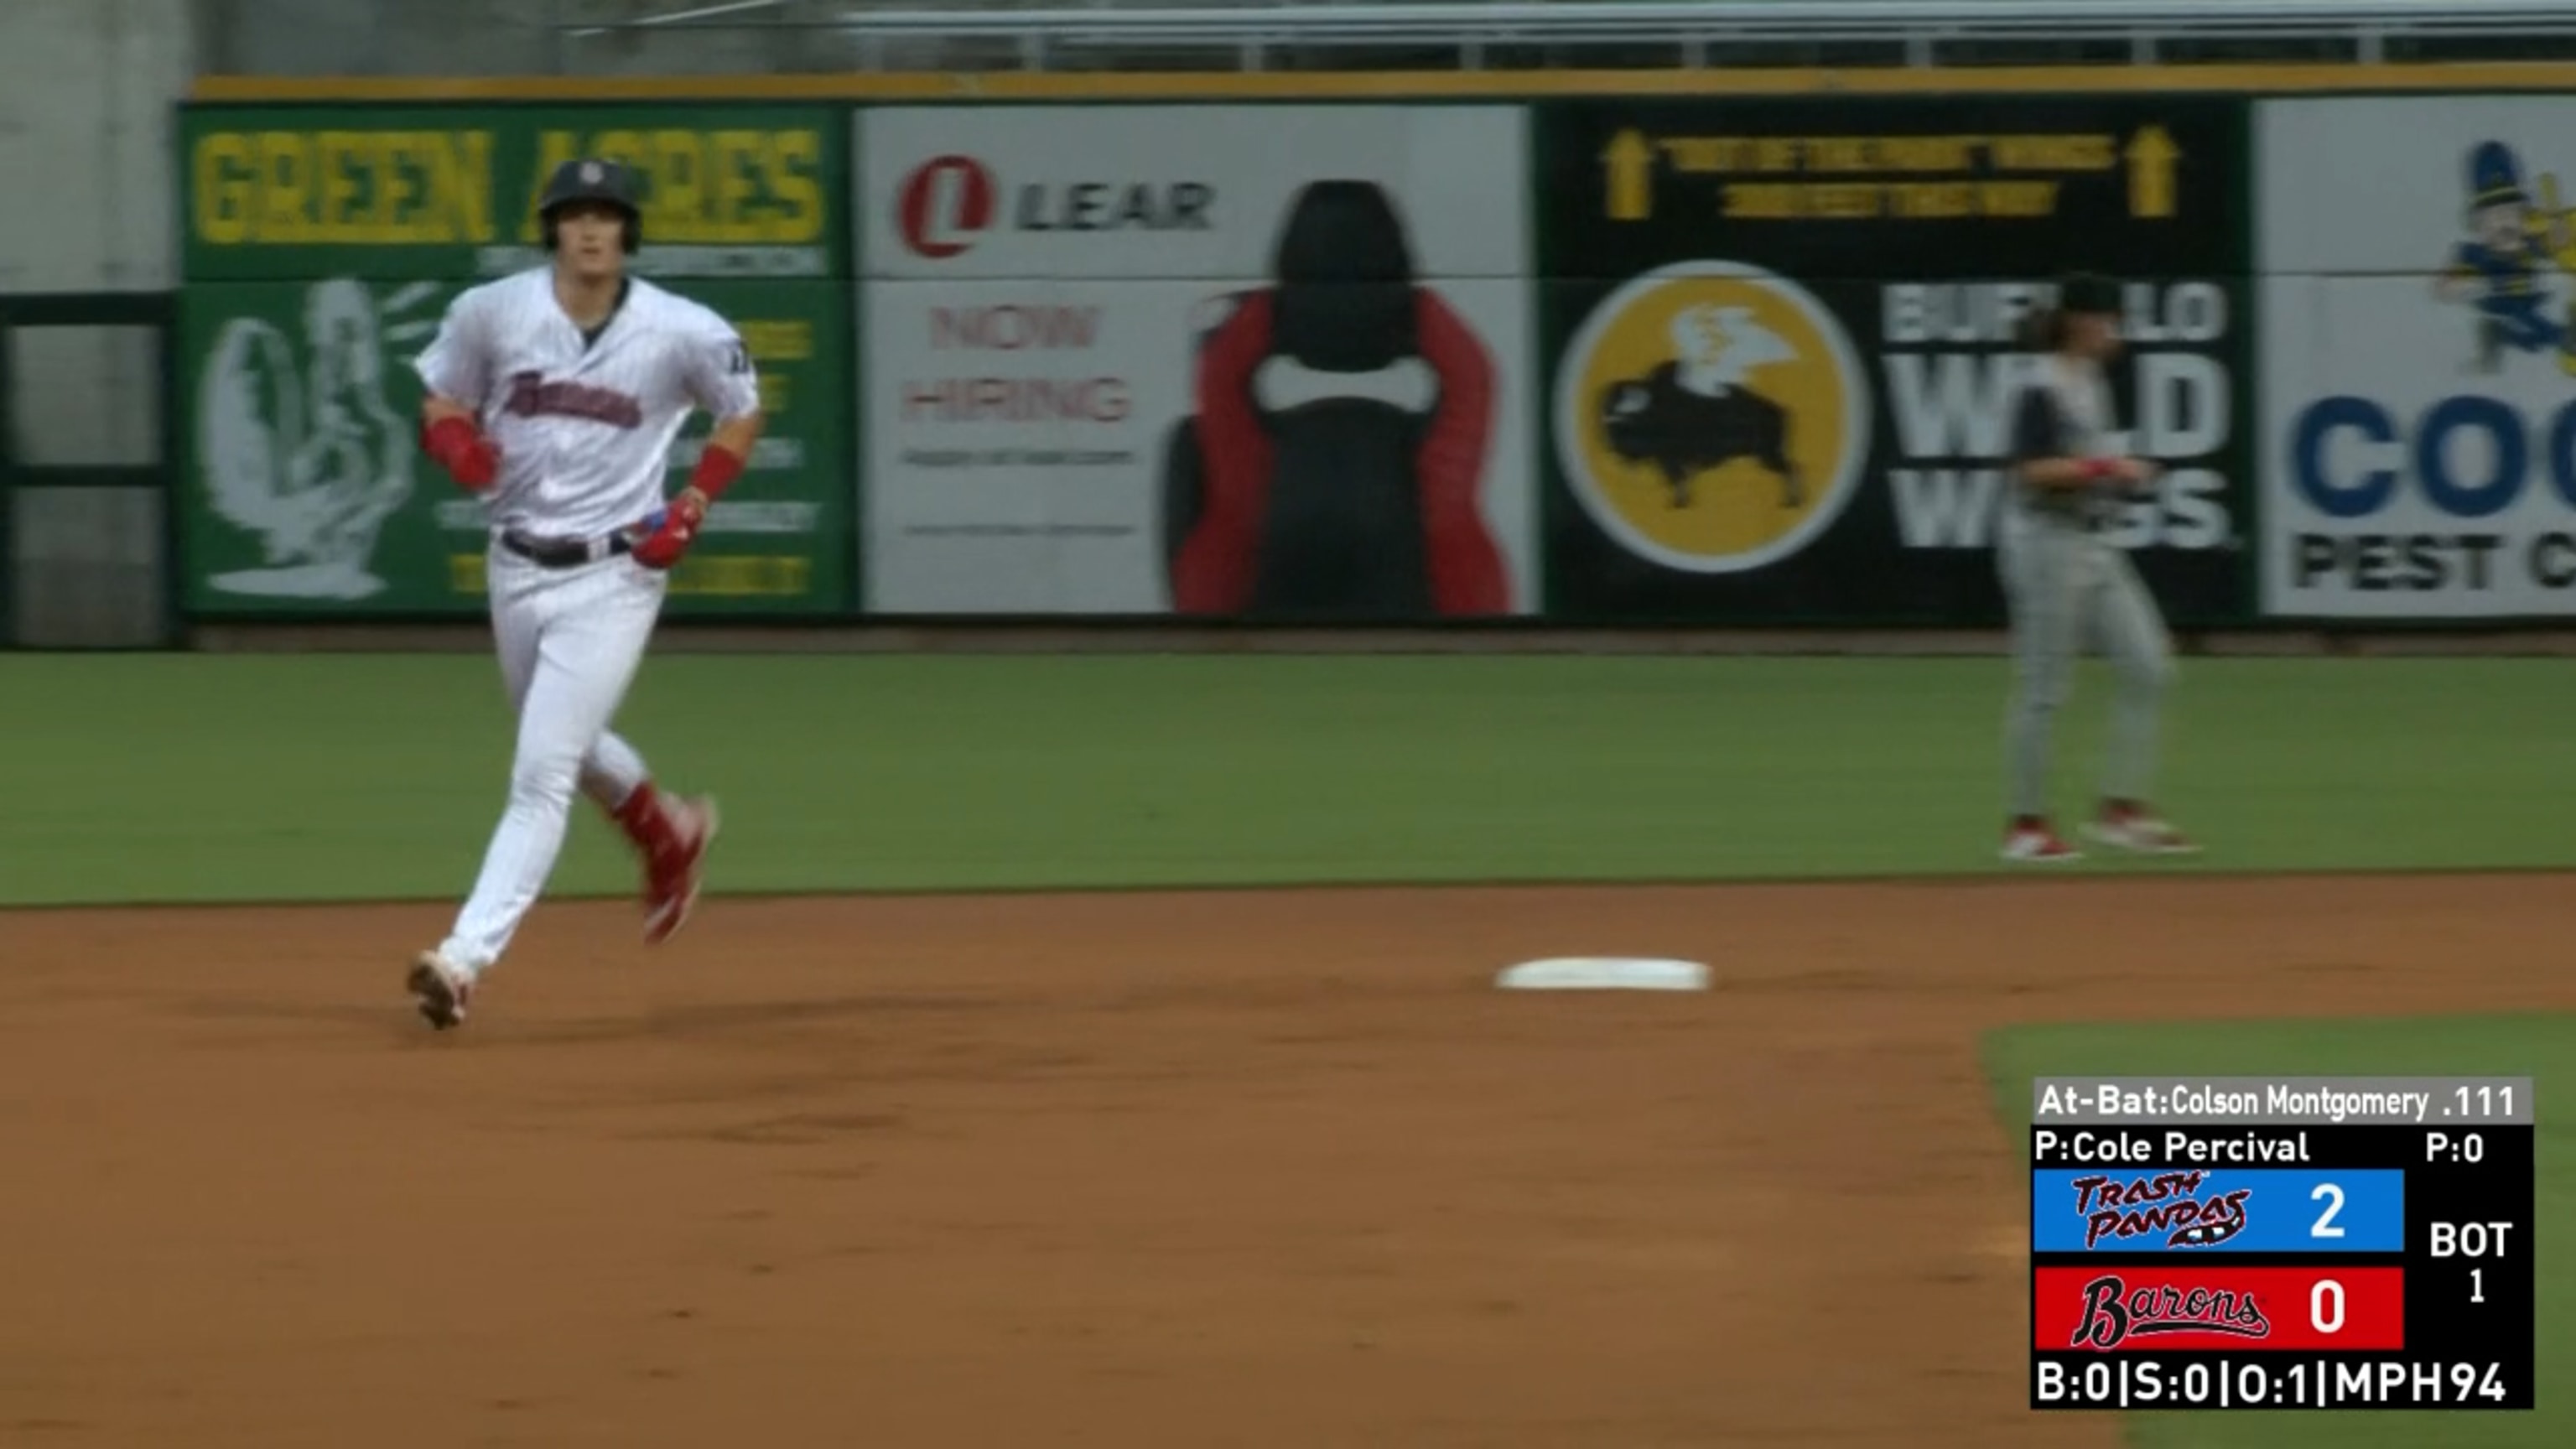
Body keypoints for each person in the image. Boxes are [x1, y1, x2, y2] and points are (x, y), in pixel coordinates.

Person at [402, 157, 763, 1029]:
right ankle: (665, 831)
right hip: (516, 565)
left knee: (541, 772)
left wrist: (696, 502)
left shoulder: (679, 329)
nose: (591, 229)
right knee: (562, 737)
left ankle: (462, 961)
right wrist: (457, 447)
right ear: (554, 229)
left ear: (627, 231)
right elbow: (441, 398)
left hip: (616, 573)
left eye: (607, 214)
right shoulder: (495, 311)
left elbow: (742, 408)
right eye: (575, 214)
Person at [1997, 273, 2196, 864]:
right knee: (2045, 689)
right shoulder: (2039, 384)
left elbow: (2078, 468)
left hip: (2095, 541)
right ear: (2081, 321)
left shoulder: (2089, 378)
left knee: (2149, 667)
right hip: (2044, 544)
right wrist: (2109, 468)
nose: (2115, 330)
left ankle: (2121, 810)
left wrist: (2108, 477)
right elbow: (2029, 471)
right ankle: (2025, 825)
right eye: (2108, 319)